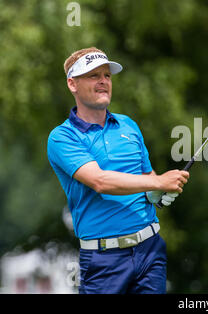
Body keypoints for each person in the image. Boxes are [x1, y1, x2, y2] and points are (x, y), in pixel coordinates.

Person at [47, 47, 189, 294]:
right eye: (93, 76)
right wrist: (158, 184)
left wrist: (159, 193)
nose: (103, 81)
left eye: (107, 76)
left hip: (150, 251)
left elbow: (147, 178)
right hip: (103, 262)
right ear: (73, 84)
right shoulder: (62, 137)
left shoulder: (128, 125)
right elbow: (100, 181)